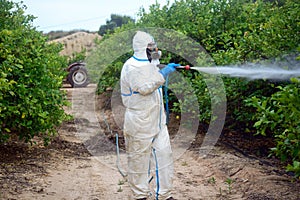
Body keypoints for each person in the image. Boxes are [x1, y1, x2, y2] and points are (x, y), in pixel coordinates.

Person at [120, 31, 179, 200]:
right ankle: (140, 195)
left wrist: (161, 69)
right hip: (139, 122)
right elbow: (145, 87)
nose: (155, 50)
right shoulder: (131, 67)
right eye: (151, 47)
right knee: (139, 161)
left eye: (155, 46)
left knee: (165, 157)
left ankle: (165, 196)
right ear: (141, 48)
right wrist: (163, 73)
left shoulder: (151, 63)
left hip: (158, 121)